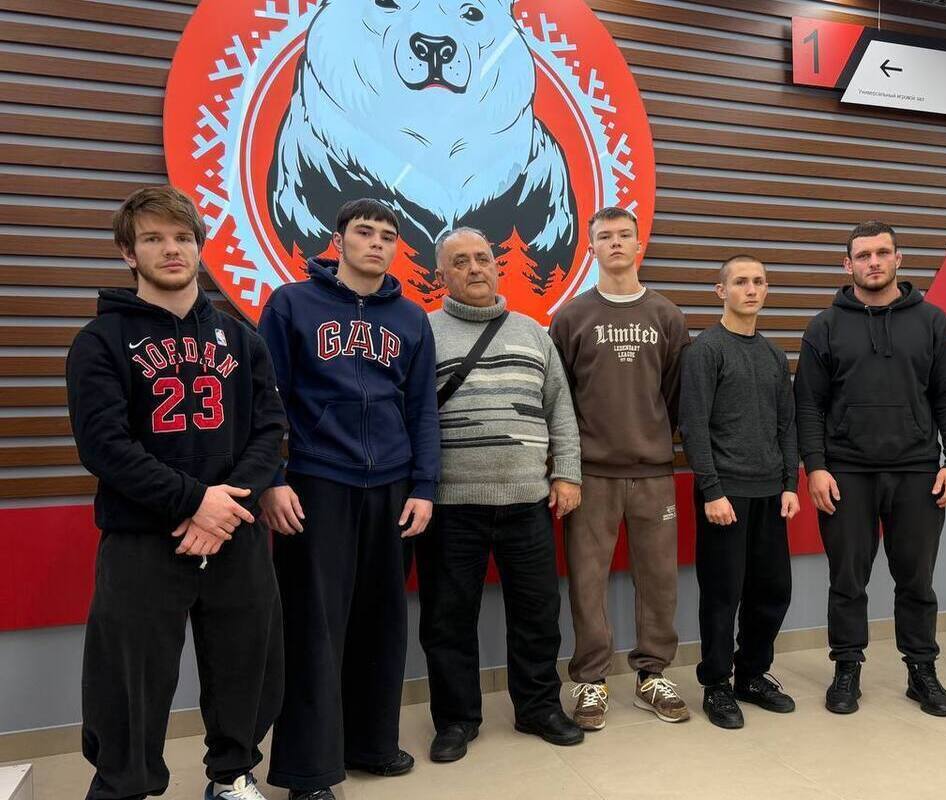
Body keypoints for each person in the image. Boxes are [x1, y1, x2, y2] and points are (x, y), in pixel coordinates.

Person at [67, 186, 285, 800]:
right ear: (128, 253)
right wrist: (194, 502)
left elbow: (270, 431)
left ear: (199, 247)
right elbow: (104, 447)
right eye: (154, 238)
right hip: (143, 536)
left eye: (183, 237)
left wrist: (222, 509)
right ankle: (124, 787)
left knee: (248, 663)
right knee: (128, 677)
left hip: (234, 531)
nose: (171, 249)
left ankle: (232, 776)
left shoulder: (242, 340)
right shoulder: (100, 341)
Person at [257, 199, 441, 799]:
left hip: (391, 486)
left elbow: (422, 408)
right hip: (317, 483)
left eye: (388, 235)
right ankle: (309, 772)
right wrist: (272, 478)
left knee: (382, 622)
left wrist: (424, 486)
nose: (377, 243)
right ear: (338, 240)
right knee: (314, 627)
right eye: (365, 232)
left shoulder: (411, 319)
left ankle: (372, 743)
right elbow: (266, 399)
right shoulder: (291, 305)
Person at [417, 226, 584, 763]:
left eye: (482, 258)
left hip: (528, 501)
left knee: (537, 614)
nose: (475, 268)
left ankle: (538, 708)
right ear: (441, 275)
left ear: (496, 265)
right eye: (460, 261)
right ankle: (456, 720)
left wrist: (568, 474)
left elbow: (560, 408)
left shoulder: (533, 333)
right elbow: (410, 416)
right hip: (451, 504)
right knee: (447, 620)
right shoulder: (423, 334)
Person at [793, 220, 946, 718]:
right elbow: (808, 404)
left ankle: (922, 671)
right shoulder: (824, 327)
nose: (874, 262)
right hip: (846, 473)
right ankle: (847, 668)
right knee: (847, 580)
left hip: (917, 471)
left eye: (882, 253)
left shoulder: (932, 322)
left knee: (916, 579)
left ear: (898, 259)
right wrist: (815, 467)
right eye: (863, 255)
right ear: (847, 264)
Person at [549, 206, 691, 730]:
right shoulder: (571, 317)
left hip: (653, 471)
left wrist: (651, 439)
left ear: (638, 244)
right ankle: (590, 680)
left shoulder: (666, 316)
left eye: (624, 235)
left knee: (659, 580)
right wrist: (566, 467)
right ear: (591, 248)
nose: (615, 243)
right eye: (604, 236)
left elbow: (674, 394)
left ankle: (652, 674)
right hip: (591, 474)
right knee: (587, 581)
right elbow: (559, 399)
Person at [679, 254, 801, 729]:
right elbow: (693, 426)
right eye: (741, 282)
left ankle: (751, 674)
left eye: (759, 282)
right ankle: (716, 684)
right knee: (722, 595)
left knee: (772, 591)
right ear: (721, 291)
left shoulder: (773, 355)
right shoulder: (706, 351)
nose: (751, 290)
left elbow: (786, 424)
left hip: (771, 494)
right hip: (724, 495)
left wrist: (790, 484)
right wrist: (711, 490)